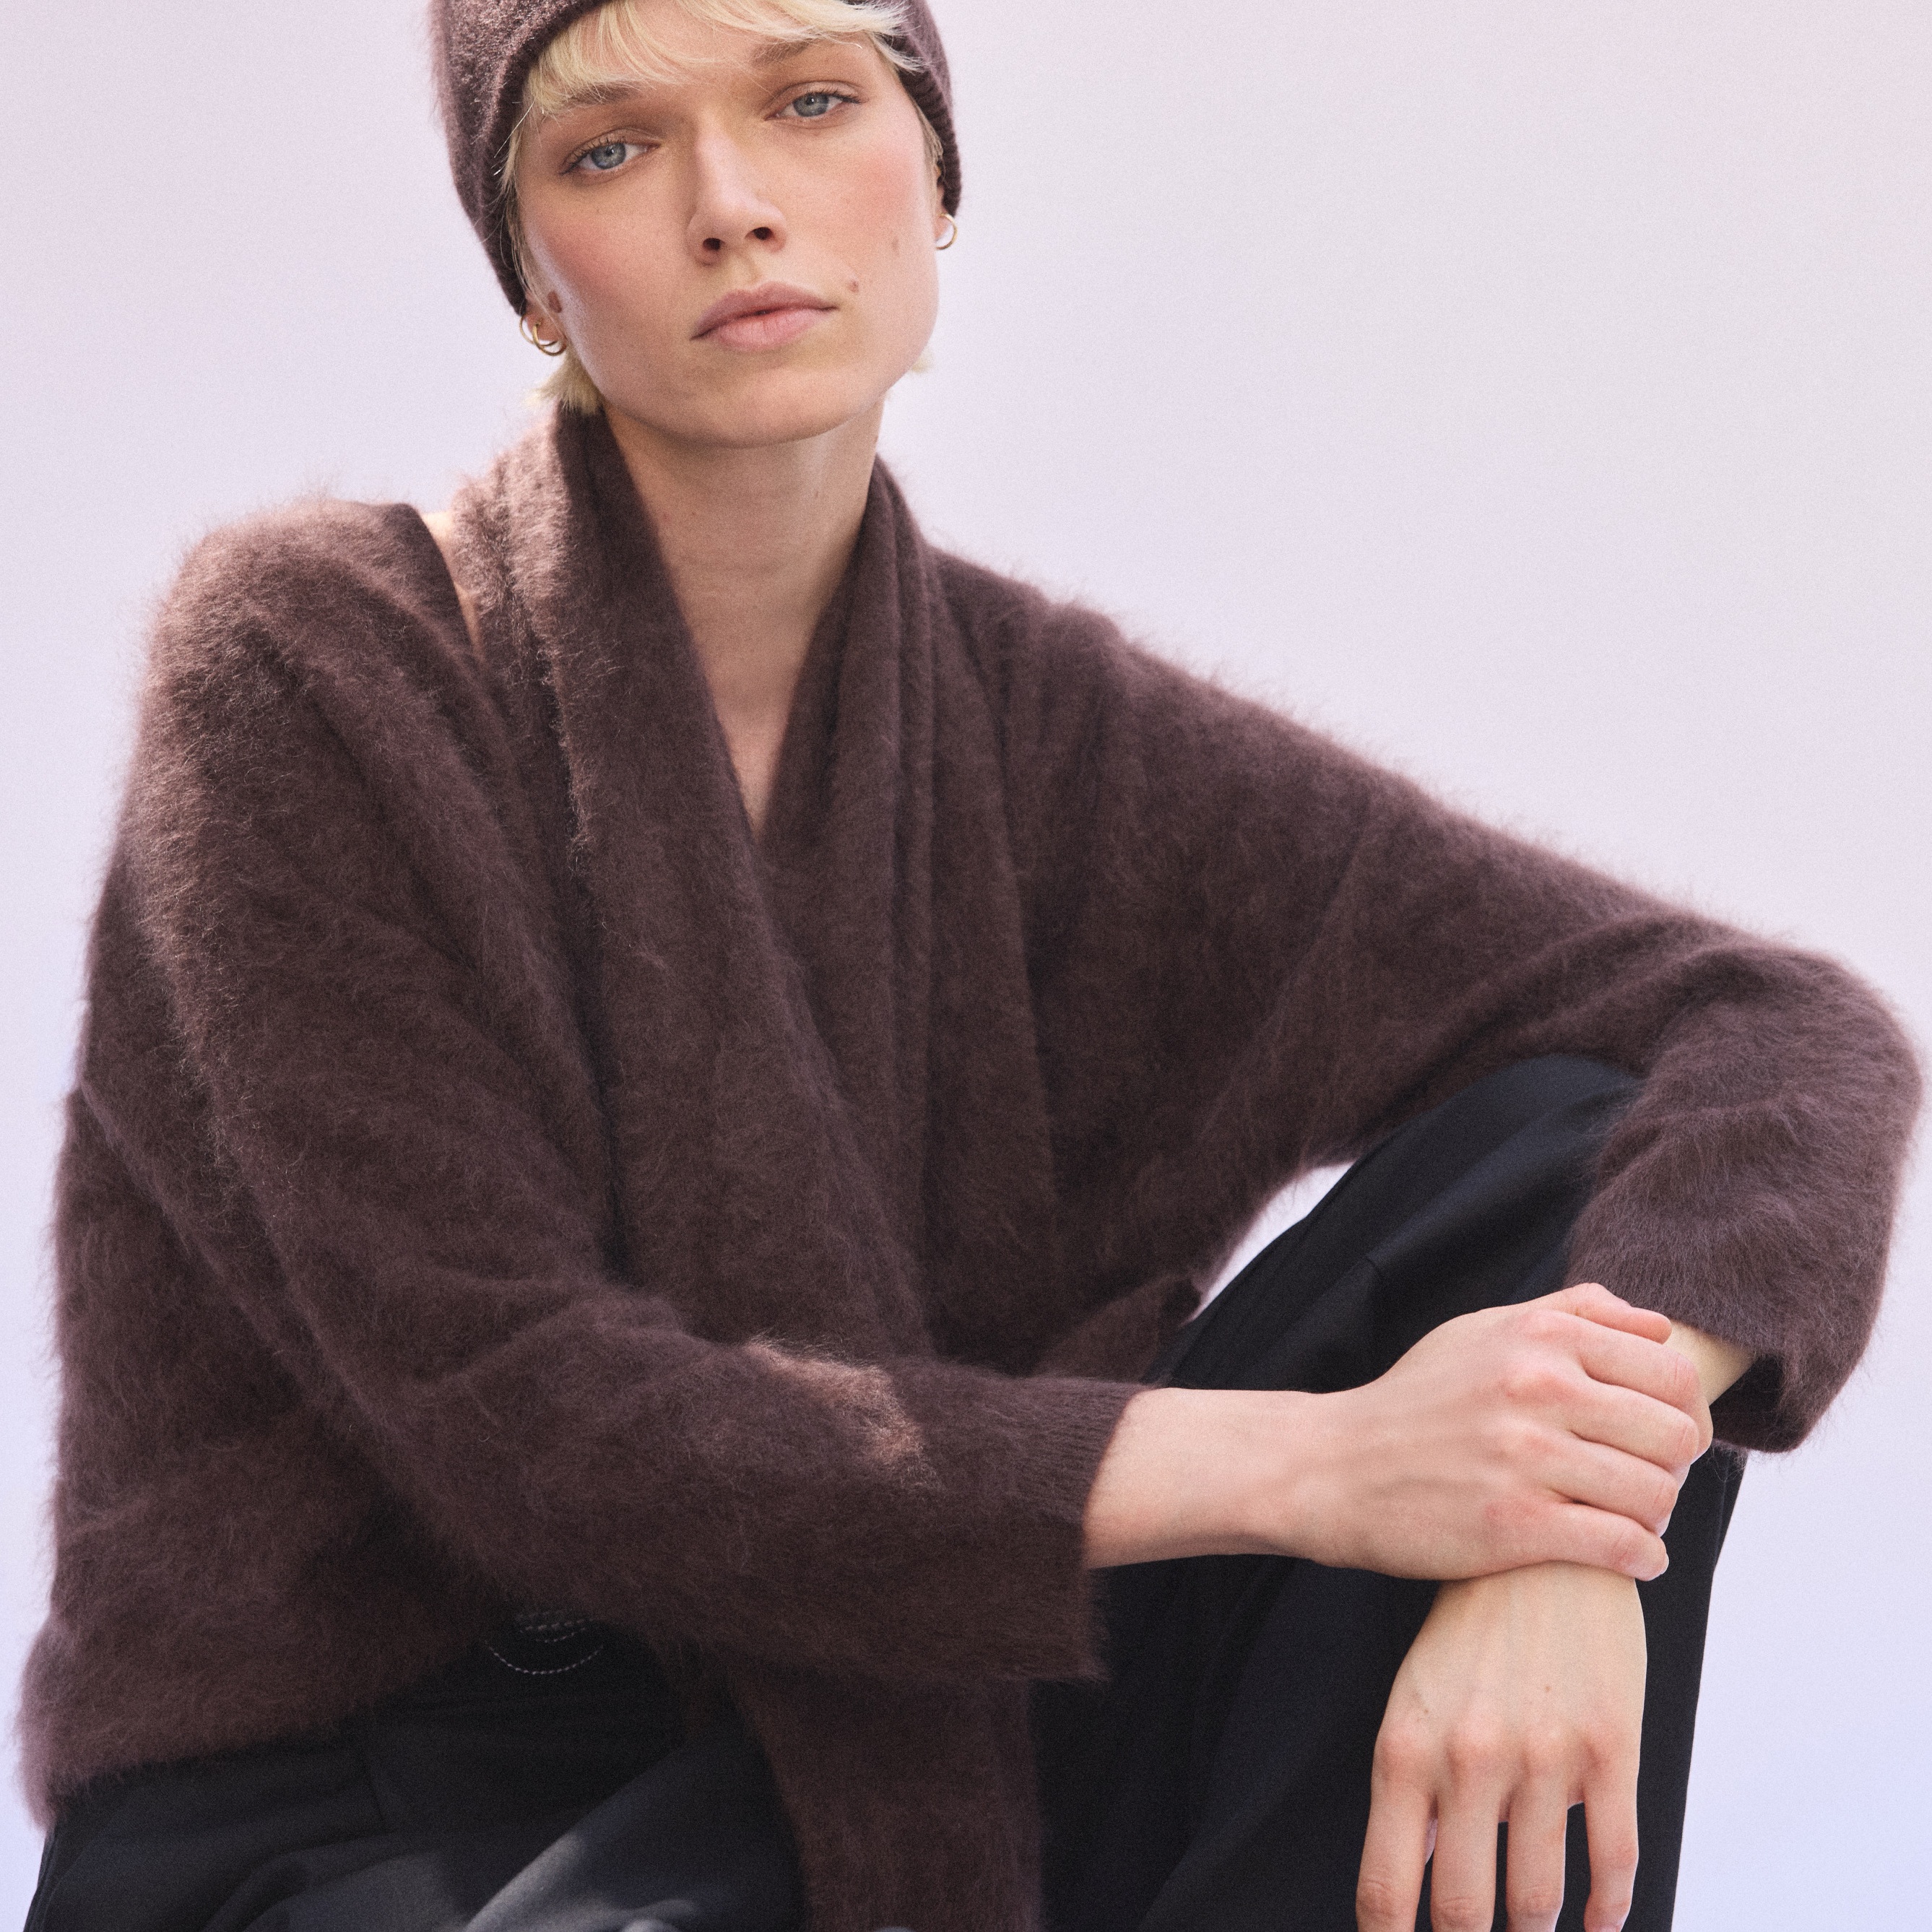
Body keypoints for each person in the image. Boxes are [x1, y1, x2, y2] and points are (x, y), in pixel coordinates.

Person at [17, 2, 1918, 1930]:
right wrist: (1329, 1466)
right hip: (383, 1821)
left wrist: (1564, 1522)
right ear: (530, 280)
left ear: (936, 176)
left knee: (1557, 1155)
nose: (733, 204)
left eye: (811, 101)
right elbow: (532, 1420)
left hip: (902, 1766)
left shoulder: (1055, 735)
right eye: (611, 149)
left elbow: (1771, 1030)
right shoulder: (312, 666)